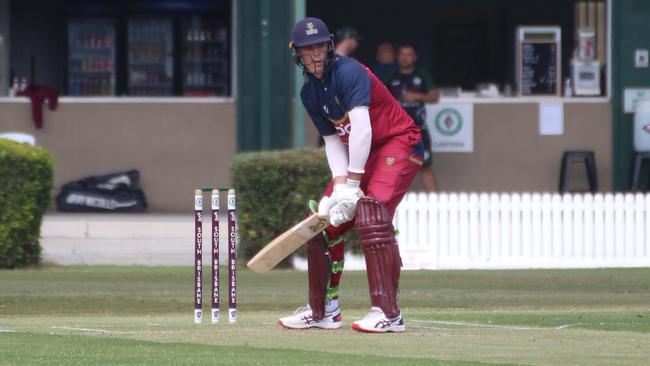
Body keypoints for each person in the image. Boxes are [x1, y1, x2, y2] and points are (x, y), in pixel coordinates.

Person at [279, 17, 424, 333]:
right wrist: (341, 186)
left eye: (319, 47)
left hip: (397, 141)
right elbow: (333, 141)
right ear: (297, 54)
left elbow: (362, 128)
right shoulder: (310, 94)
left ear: (329, 46)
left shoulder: (349, 72)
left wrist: (353, 186)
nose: (315, 55)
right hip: (364, 152)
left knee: (371, 211)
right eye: (307, 50)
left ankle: (388, 313)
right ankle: (323, 311)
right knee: (322, 220)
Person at [385, 43, 439, 192]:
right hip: (396, 132)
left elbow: (435, 97)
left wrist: (417, 96)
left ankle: (436, 206)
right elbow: (377, 96)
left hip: (419, 129)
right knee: (392, 168)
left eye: (409, 55)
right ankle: (390, 205)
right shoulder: (390, 75)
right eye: (402, 54)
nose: (405, 58)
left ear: (414, 57)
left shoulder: (422, 74)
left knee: (425, 166)